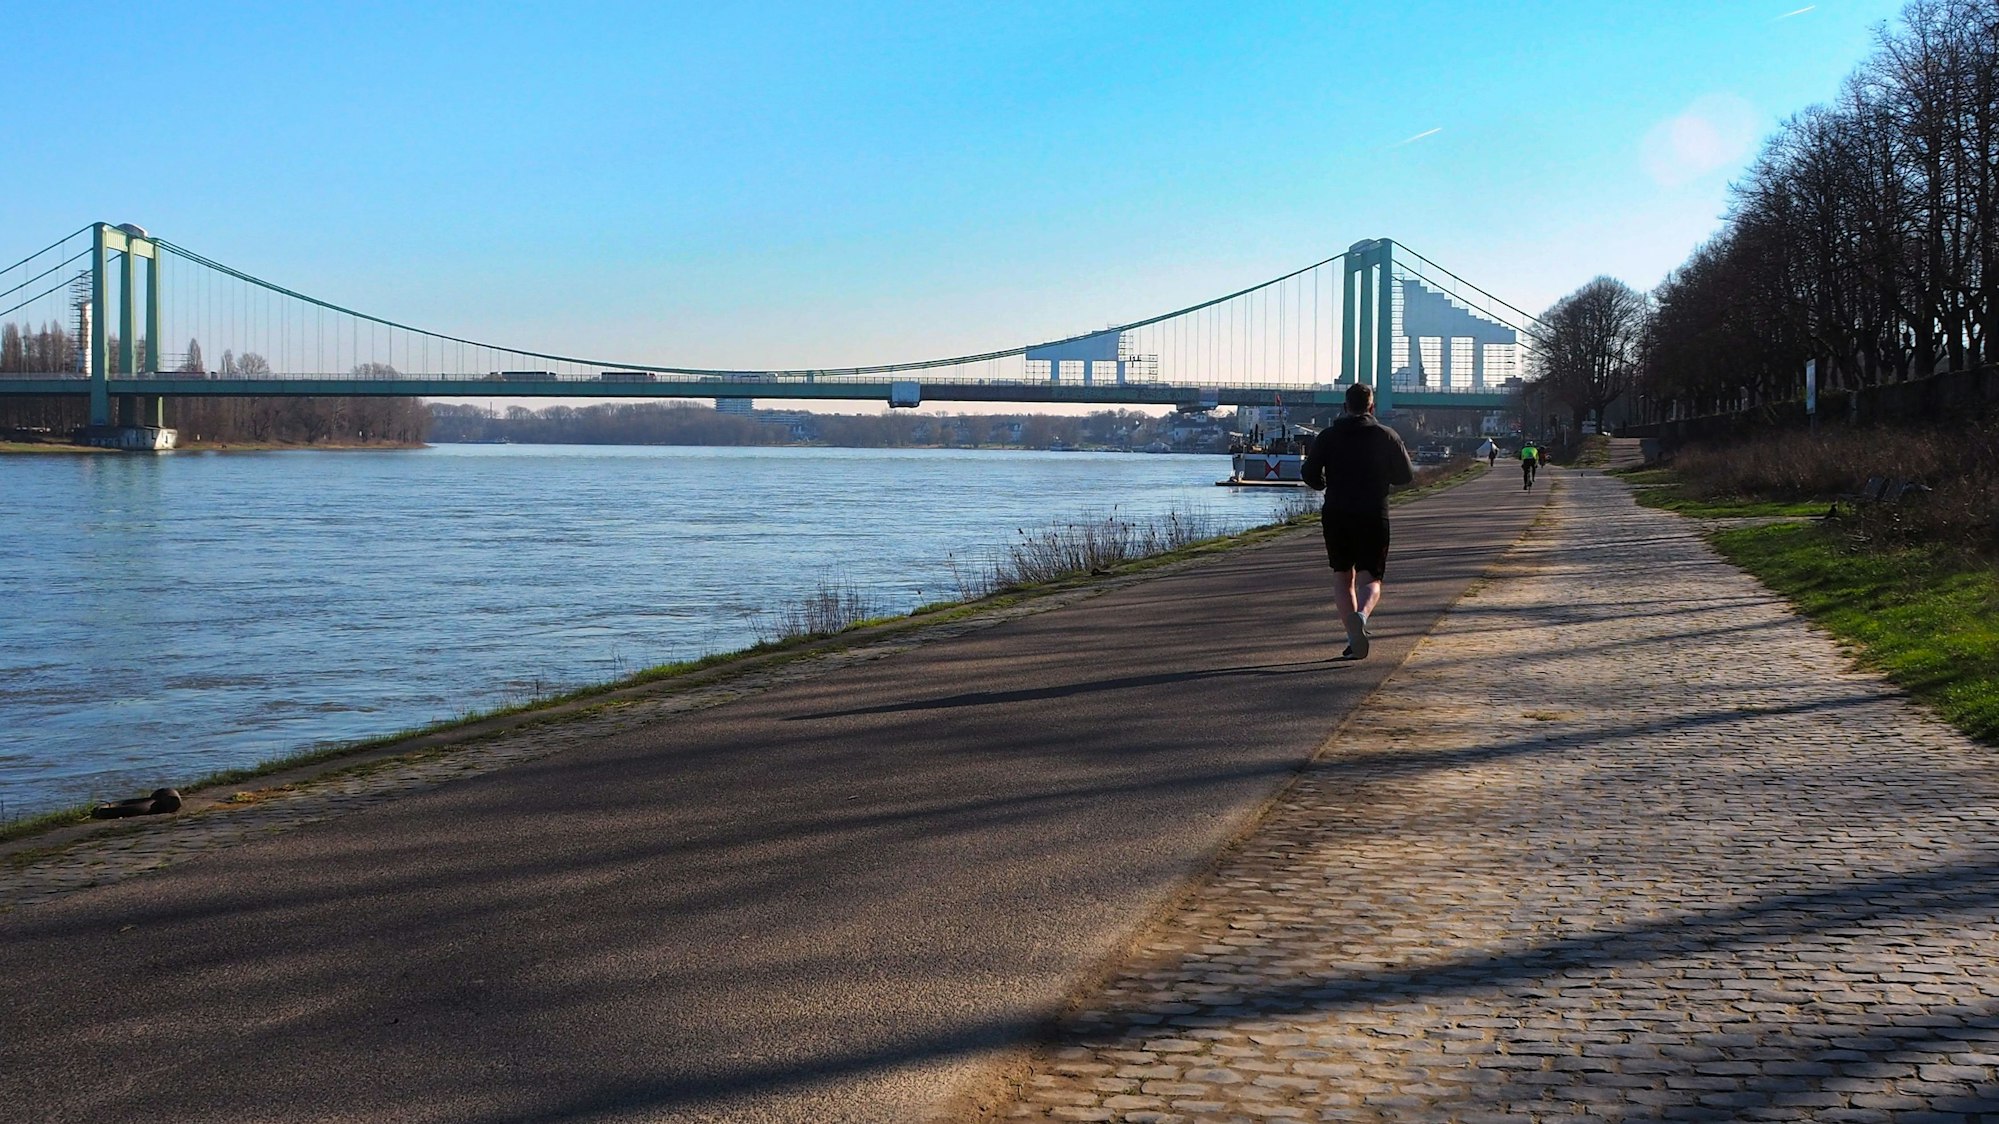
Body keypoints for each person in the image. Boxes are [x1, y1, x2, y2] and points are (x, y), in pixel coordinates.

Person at [1301, 383, 1414, 660]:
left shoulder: (1328, 436)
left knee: (1342, 576)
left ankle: (1353, 638)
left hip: (1337, 512)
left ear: (1344, 406)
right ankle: (1361, 617)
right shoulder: (1387, 436)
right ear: (1372, 407)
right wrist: (1383, 478)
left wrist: (1322, 482)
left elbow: (1309, 473)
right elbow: (1406, 476)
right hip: (1374, 513)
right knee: (1371, 578)